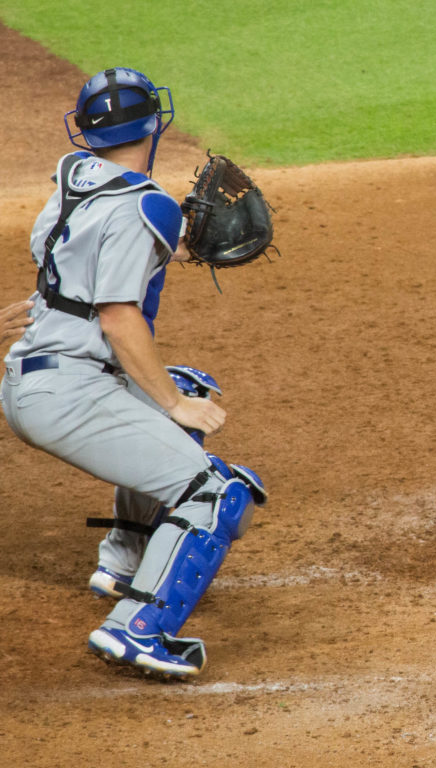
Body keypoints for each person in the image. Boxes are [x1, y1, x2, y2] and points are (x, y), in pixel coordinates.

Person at [1, 67, 266, 678]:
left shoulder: (72, 179)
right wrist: (175, 407)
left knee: (186, 386)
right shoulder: (140, 205)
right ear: (153, 123)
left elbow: (63, 265)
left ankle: (124, 558)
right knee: (212, 492)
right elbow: (120, 319)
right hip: (65, 392)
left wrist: (160, 235)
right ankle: (138, 630)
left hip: (31, 376)